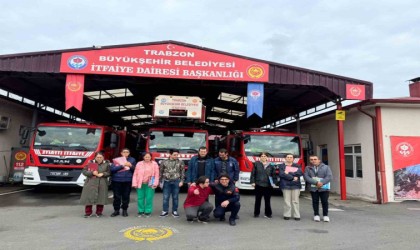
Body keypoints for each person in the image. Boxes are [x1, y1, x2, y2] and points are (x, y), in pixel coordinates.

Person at [80, 152, 111, 218]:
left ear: (103, 158)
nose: (99, 159)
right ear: (95, 157)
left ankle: (99, 212)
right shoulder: (90, 163)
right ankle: (88, 212)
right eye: (97, 157)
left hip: (102, 183)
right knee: (89, 197)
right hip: (91, 182)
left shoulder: (107, 164)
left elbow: (109, 173)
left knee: (101, 197)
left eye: (100, 157)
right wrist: (92, 172)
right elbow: (84, 171)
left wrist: (103, 174)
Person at [304, 155, 333, 222]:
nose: (313, 160)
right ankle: (316, 215)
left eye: (315, 159)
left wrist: (322, 183)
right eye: (311, 159)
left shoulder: (326, 167)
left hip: (324, 188)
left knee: (325, 202)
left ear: (319, 160)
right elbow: (306, 177)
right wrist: (316, 183)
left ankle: (325, 215)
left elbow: (329, 176)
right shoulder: (308, 168)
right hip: (313, 188)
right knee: (315, 201)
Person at [110, 148, 136, 217]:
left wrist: (131, 166)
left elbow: (135, 170)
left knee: (126, 196)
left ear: (129, 153)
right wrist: (122, 166)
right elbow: (112, 170)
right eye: (124, 152)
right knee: (117, 197)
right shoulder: (116, 160)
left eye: (127, 152)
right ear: (121, 153)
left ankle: (125, 210)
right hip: (116, 180)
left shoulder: (132, 160)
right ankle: (116, 210)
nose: (125, 153)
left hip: (127, 180)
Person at [132, 152, 160, 217]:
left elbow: (157, 175)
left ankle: (148, 211)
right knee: (140, 198)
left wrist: (155, 183)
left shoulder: (154, 164)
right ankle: (141, 211)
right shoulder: (139, 164)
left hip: (150, 184)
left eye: (149, 157)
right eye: (146, 157)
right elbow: (135, 174)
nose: (147, 158)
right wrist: (134, 183)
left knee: (149, 198)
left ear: (151, 157)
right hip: (140, 183)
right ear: (143, 157)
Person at [159, 149, 185, 218]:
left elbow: (182, 172)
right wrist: (160, 181)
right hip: (166, 181)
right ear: (170, 154)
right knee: (165, 197)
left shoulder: (181, 162)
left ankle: (174, 211)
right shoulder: (164, 162)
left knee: (175, 197)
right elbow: (161, 172)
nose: (176, 156)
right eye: (174, 155)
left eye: (177, 155)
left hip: (176, 181)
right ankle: (165, 211)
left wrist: (182, 181)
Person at [278, 153, 303, 221]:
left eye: (291, 157)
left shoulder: (297, 165)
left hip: (296, 185)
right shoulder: (281, 166)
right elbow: (281, 174)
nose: (289, 158)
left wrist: (288, 172)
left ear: (293, 159)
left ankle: (297, 215)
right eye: (288, 157)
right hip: (285, 185)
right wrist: (292, 177)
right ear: (285, 158)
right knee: (287, 201)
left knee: (295, 201)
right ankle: (287, 215)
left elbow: (300, 173)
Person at [250, 152, 275, 218]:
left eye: (265, 156)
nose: (263, 157)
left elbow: (273, 175)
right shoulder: (256, 164)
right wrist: (252, 182)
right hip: (258, 184)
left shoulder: (271, 165)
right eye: (262, 156)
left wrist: (274, 183)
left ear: (267, 157)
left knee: (267, 201)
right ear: (260, 157)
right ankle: (256, 213)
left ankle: (268, 214)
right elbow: (253, 174)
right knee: (257, 200)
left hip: (268, 185)